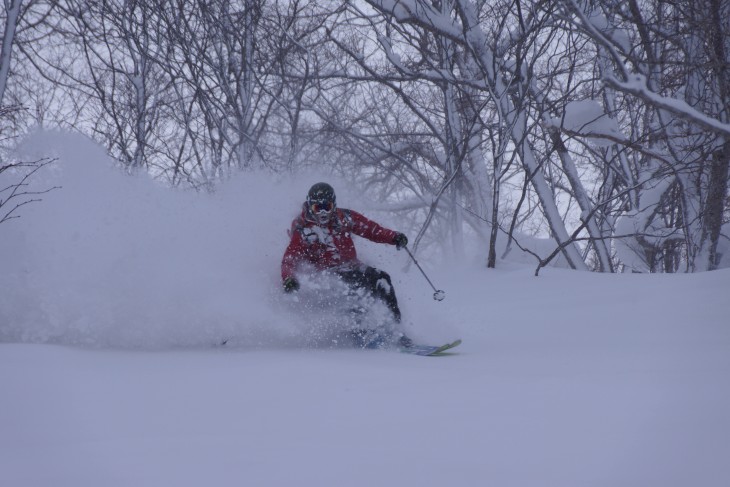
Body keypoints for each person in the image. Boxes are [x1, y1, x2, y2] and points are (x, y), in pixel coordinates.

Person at [281, 182, 412, 347]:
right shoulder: (304, 230)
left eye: (326, 207)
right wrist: (288, 278)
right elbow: (289, 258)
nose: (322, 213)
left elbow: (371, 229)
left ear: (334, 205)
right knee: (352, 286)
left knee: (382, 279)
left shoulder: (344, 218)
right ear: (310, 206)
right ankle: (360, 333)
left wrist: (394, 237)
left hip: (351, 266)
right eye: (317, 208)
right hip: (325, 276)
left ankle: (396, 331)